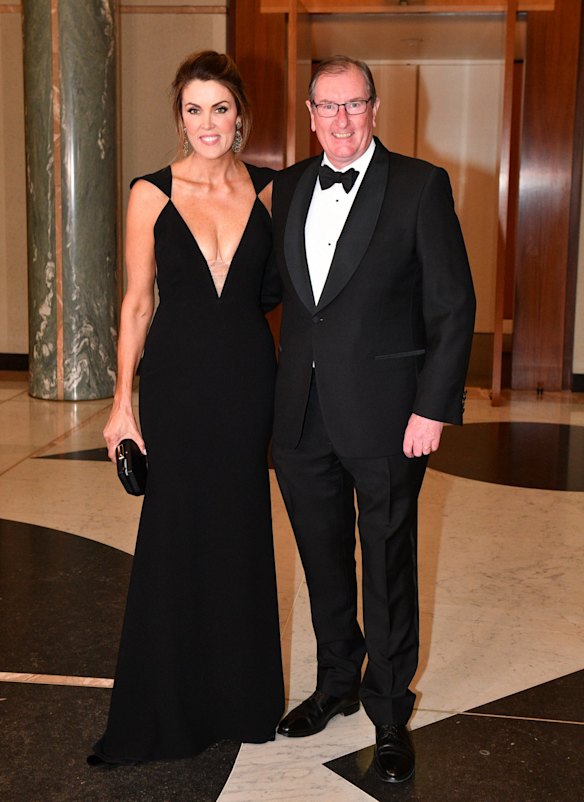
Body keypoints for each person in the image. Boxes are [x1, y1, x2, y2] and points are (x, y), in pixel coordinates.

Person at [270, 55, 476, 784]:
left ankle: (389, 711)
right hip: (299, 414)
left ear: (375, 108)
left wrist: (432, 407)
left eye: (355, 105)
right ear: (309, 111)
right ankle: (334, 684)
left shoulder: (421, 185)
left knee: (387, 564)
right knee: (322, 559)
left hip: (391, 417)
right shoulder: (289, 185)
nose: (342, 120)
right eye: (328, 106)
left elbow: (453, 306)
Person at [88, 50, 284, 765]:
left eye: (221, 108)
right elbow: (138, 303)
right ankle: (164, 705)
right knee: (174, 530)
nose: (208, 122)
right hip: (174, 381)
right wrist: (121, 406)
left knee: (237, 527)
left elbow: (284, 289)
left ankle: (241, 697)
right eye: (194, 109)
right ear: (181, 117)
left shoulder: (270, 192)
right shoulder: (152, 192)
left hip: (246, 381)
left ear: (240, 118)